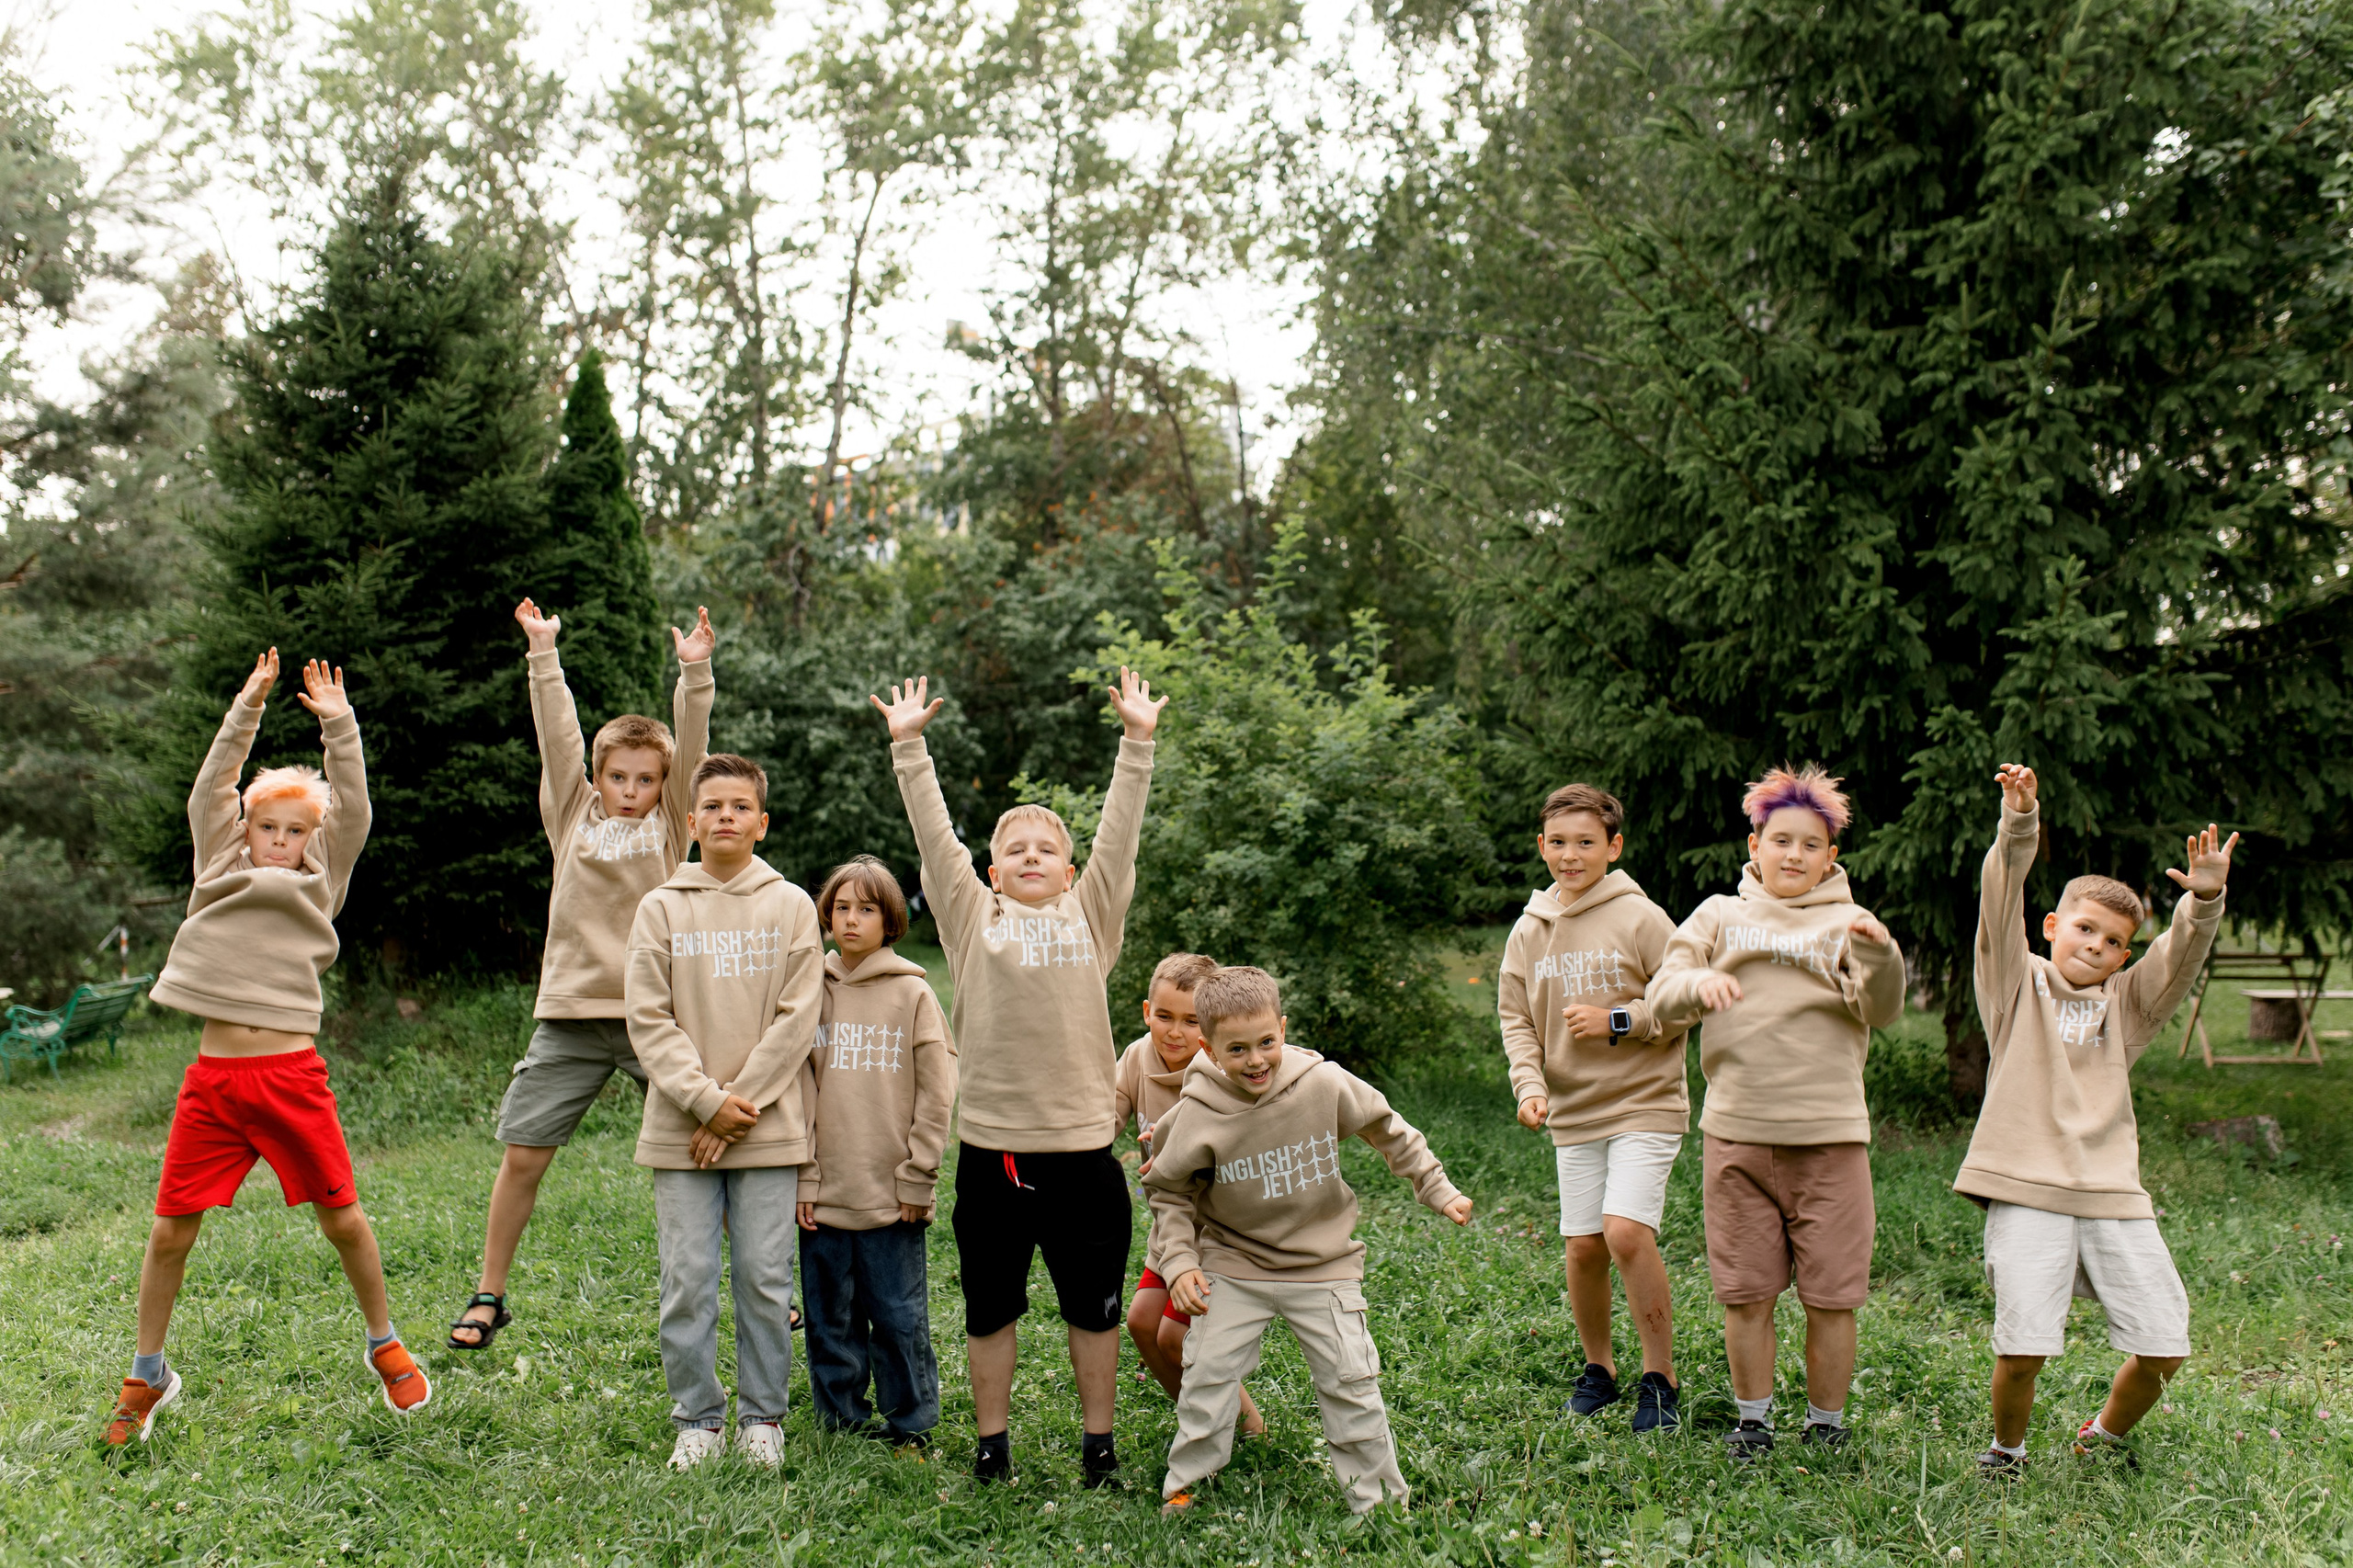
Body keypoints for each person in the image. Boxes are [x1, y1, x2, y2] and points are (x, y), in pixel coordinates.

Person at [108, 651, 427, 1445]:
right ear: (244, 830)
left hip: (291, 1078)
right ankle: (147, 1373)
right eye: (267, 826)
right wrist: (246, 707)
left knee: (343, 1221)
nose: (280, 840)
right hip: (215, 1083)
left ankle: (383, 1342)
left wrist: (339, 725)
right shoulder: (218, 865)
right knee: (169, 1232)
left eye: (295, 831)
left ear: (311, 840)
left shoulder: (322, 881)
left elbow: (352, 808)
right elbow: (211, 788)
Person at [870, 668, 1165, 1488]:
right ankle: (991, 1448)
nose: (1031, 856)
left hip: (1083, 1156)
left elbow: (1119, 837)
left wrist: (1136, 743)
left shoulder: (1090, 917)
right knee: (990, 1308)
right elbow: (936, 842)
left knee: (1093, 1310)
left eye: (1047, 850)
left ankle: (1098, 1449)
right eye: (1014, 850)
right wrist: (910, 749)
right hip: (993, 1154)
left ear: (1069, 873)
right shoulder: (973, 921)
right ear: (992, 873)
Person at [449, 598, 715, 1351]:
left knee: (705, 1149)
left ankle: (760, 1284)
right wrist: (544, 654)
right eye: (618, 777)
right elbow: (558, 737)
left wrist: (695, 676)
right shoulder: (573, 815)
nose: (631, 789)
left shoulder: (672, 828)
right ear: (597, 779)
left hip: (654, 1019)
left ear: (666, 788)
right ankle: (489, 1294)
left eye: (646, 779)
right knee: (524, 1155)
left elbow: (694, 750)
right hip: (569, 1017)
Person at [1958, 765, 2232, 1476]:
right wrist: (2019, 822)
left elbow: (2179, 960)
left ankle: (2102, 1436)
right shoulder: (2015, 985)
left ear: (2123, 955)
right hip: (2027, 1189)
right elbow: (1999, 901)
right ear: (2053, 927)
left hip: (2112, 1193)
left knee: (2165, 1344)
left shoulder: (2128, 1006)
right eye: (2084, 929)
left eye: (2113, 942)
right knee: (2023, 1348)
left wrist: (2203, 900)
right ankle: (2008, 1451)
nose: (2096, 946)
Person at [1145, 966, 1473, 1515]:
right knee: (1206, 1377)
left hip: (1323, 1266)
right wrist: (1179, 1262)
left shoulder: (1323, 1084)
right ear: (1208, 1048)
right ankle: (1187, 1485)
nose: (1256, 1060)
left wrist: (1436, 1188)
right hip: (1234, 1265)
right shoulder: (1195, 1114)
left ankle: (1379, 1504)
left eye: (1266, 1043)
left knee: (1351, 1381)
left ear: (1283, 1028)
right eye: (1237, 1049)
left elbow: (1387, 1127)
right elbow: (1169, 1192)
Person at [1647, 766, 1904, 1460]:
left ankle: (1826, 1423)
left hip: (1830, 1139)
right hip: (1739, 1137)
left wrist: (1881, 955)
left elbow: (1882, 1008)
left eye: (1811, 845)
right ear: (1754, 845)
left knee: (1832, 1296)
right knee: (1746, 1293)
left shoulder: (1850, 924)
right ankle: (1752, 1421)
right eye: (1781, 840)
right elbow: (1663, 994)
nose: (1794, 854)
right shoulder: (1718, 915)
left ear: (1830, 857)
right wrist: (1697, 982)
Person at [624, 754, 824, 1471]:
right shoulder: (661, 907)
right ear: (690, 821)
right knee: (686, 1279)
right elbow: (648, 1018)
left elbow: (798, 1018)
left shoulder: (791, 905)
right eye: (712, 807)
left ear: (761, 823)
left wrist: (739, 1106)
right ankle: (699, 1420)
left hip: (767, 1128)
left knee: (765, 1280)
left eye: (740, 807)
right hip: (682, 1129)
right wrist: (707, 1104)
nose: (726, 817)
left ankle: (763, 1418)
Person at [1498, 784, 1688, 1432]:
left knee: (1625, 1232)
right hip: (1575, 1109)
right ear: (1541, 846)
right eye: (1558, 842)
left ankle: (1660, 1379)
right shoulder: (1530, 929)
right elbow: (1516, 1019)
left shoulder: (1641, 917)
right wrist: (1529, 1085)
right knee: (1584, 1247)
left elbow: (1684, 1000)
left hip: (1645, 1101)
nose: (1570, 855)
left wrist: (1620, 1019)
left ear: (1614, 847)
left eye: (1585, 842)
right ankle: (1599, 1371)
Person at [795, 855, 956, 1451]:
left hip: (892, 1195)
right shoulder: (810, 990)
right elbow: (798, 1088)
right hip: (823, 1194)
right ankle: (840, 1420)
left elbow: (937, 1094)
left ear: (890, 921)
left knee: (898, 1317)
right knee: (829, 1317)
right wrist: (804, 1176)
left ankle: (911, 1423)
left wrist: (919, 1177)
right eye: (841, 908)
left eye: (866, 909)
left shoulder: (913, 994)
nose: (851, 919)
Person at [1117, 951, 1265, 1437]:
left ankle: (1249, 1429)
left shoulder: (1226, 1069)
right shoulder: (1137, 1058)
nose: (1174, 1032)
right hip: (1173, 1226)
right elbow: (1105, 1117)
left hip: (1220, 1229)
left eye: (1191, 1021)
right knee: (1142, 1324)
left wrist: (1181, 1150)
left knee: (1174, 1335)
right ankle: (1201, 1420)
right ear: (1147, 1012)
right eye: (1164, 1017)